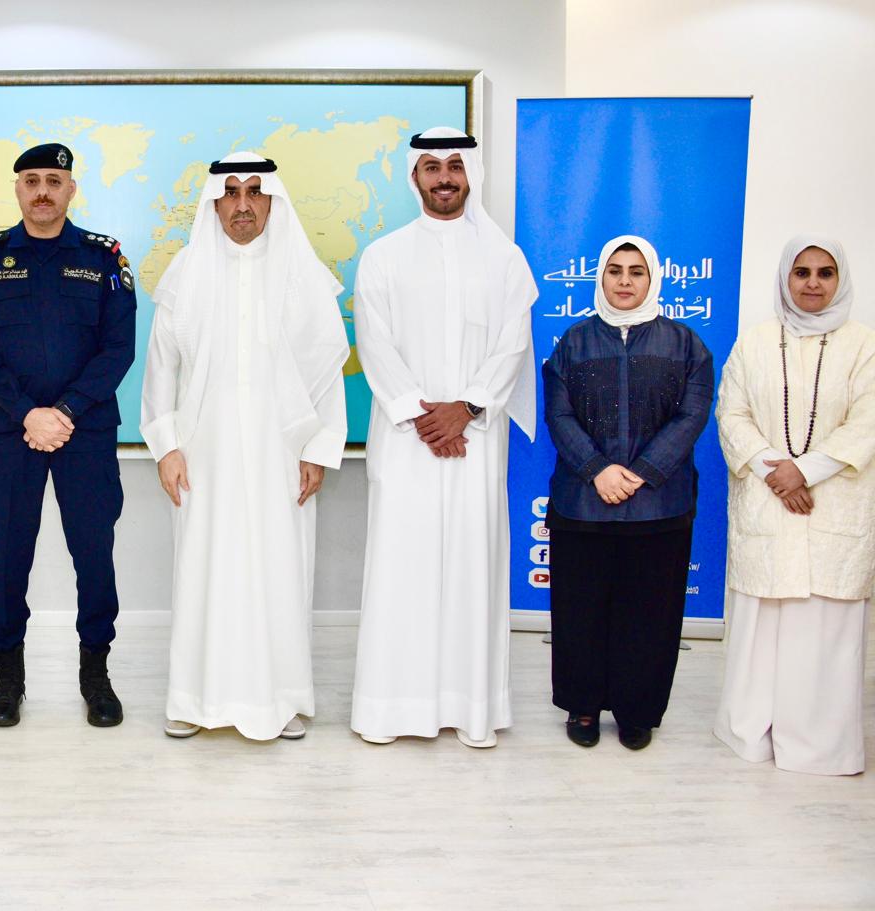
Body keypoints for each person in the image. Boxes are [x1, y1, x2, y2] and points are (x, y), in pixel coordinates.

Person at [140, 152, 349, 741]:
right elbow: (161, 368)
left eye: (255, 191)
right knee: (203, 570)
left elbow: (327, 373)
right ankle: (192, 700)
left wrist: (318, 449)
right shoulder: (186, 272)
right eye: (230, 192)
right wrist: (166, 447)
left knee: (280, 571)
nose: (242, 204)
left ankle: (280, 701)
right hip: (201, 454)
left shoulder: (302, 274)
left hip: (282, 452)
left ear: (272, 201)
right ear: (213, 203)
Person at [351, 127, 538, 748]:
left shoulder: (505, 259)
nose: (445, 177)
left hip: (476, 441)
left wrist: (469, 407)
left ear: (471, 175)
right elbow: (374, 342)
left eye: (455, 166)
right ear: (415, 177)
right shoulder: (383, 256)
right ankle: (390, 711)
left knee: (470, 569)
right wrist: (421, 413)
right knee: (401, 569)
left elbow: (513, 342)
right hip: (406, 440)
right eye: (432, 167)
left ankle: (470, 709)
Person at [0, 142, 136, 728]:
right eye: (31, 180)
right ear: (17, 188)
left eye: (53, 181)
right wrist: (28, 413)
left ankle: (96, 675)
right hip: (13, 432)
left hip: (86, 430)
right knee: (8, 553)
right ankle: (7, 677)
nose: (41, 191)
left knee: (94, 552)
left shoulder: (104, 257)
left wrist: (64, 411)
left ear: (70, 190)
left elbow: (118, 348)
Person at [543, 234, 713, 750]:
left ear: (652, 278)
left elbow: (692, 415)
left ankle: (637, 711)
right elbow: (558, 414)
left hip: (659, 504)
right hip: (583, 503)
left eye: (636, 272)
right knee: (581, 610)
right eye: (614, 271)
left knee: (650, 614)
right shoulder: (573, 342)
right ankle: (583, 706)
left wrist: (640, 473)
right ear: (601, 277)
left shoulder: (685, 344)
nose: (624, 281)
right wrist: (597, 469)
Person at [714, 236, 873, 776]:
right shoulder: (756, 342)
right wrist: (773, 470)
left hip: (833, 506)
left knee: (823, 631)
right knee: (763, 623)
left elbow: (867, 421)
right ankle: (751, 734)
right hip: (768, 503)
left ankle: (820, 745)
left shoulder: (863, 345)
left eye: (825, 273)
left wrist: (804, 470)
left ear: (840, 280)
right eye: (801, 272)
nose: (812, 283)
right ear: (786, 277)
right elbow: (731, 413)